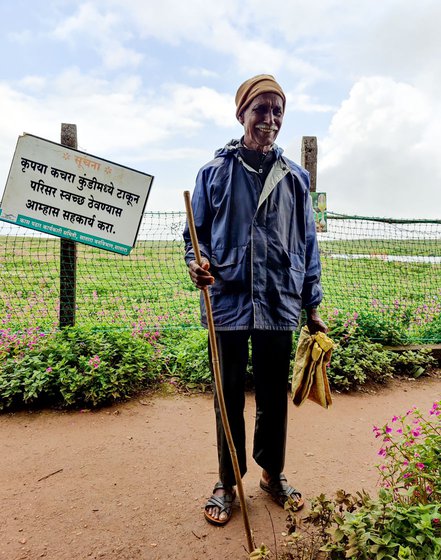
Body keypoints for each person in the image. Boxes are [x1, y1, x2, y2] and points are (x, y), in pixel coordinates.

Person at [183, 74, 327, 526]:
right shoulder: (213, 173)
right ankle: (227, 482)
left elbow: (307, 244)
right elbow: (195, 236)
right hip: (226, 301)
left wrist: (313, 306)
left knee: (272, 396)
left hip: (279, 299)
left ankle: (272, 474)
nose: (269, 119)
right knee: (227, 397)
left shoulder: (296, 179)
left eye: (277, 110)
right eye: (260, 108)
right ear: (241, 112)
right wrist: (197, 261)